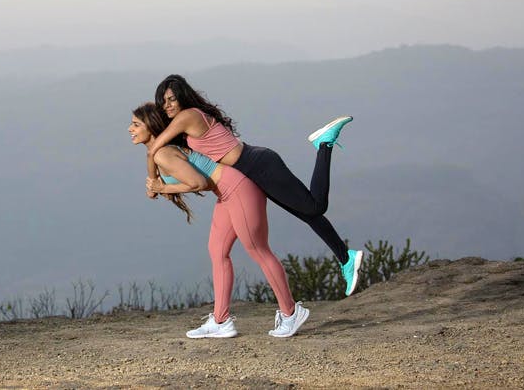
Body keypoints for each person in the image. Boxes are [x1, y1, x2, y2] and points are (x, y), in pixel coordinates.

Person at [146, 74, 363, 296]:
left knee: (315, 207)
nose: (168, 105)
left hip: (259, 165)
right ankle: (346, 258)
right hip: (253, 168)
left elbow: (154, 149)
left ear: (182, 97)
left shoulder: (187, 116)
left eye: (171, 99)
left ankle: (324, 144)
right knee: (308, 214)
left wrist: (154, 184)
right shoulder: (188, 119)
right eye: (163, 102)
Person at [129, 102, 309, 339]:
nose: (130, 129)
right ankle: (221, 321)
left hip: (238, 189)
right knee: (217, 250)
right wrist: (156, 185)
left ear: (150, 126)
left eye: (135, 124)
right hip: (227, 192)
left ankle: (290, 312)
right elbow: (152, 158)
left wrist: (163, 187)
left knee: (258, 250)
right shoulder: (159, 151)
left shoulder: (163, 154)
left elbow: (199, 183)